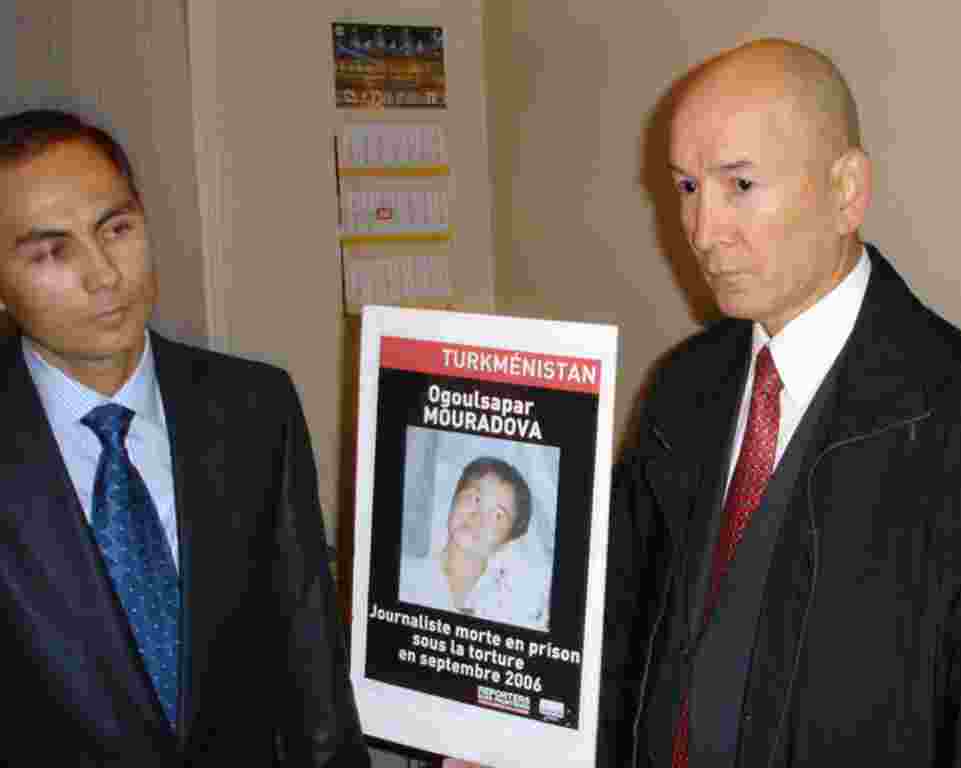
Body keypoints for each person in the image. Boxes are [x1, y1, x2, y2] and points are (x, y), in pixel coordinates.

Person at [600, 39, 961, 766]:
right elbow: (620, 644)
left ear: (846, 192)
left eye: (738, 186)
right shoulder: (678, 393)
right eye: (687, 188)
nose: (701, 232)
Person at [0, 109, 370, 766]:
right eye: (52, 251)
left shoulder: (254, 408)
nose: (104, 275)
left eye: (116, 229)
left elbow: (313, 676)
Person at [400, 456, 550, 631]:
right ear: (454, 499)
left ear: (507, 541)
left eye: (497, 515)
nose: (478, 517)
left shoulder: (520, 605)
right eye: (475, 499)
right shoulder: (406, 577)